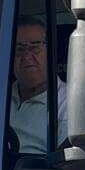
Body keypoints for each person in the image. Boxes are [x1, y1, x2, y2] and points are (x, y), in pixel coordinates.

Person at [9, 19, 67, 154]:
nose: (27, 56)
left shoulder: (69, 106)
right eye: (19, 49)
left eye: (35, 47)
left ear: (51, 51)